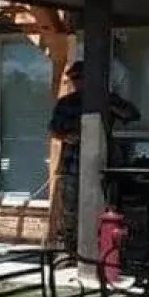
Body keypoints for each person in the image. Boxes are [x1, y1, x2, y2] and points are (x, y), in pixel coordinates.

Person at [50, 62, 141, 252]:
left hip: (102, 165)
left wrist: (108, 104)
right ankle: (70, 253)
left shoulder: (108, 99)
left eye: (80, 78)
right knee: (69, 213)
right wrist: (69, 135)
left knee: (105, 208)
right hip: (72, 165)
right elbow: (54, 129)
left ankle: (103, 251)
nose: (77, 82)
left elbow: (132, 114)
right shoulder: (66, 103)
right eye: (74, 79)